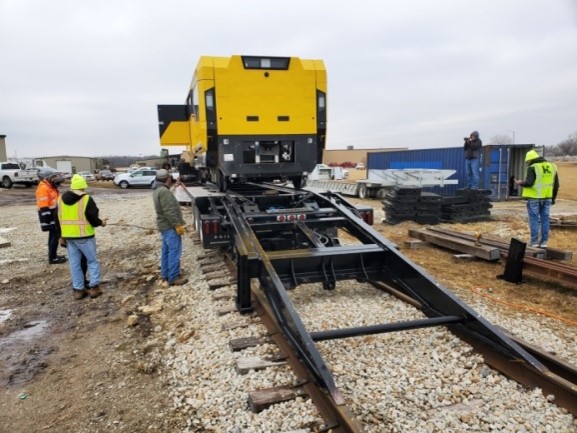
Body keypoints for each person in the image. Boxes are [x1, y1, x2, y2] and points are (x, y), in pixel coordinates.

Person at [58, 174, 106, 299]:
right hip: (85, 236)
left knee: (75, 264)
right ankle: (94, 287)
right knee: (92, 261)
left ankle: (78, 290)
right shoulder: (86, 199)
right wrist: (101, 223)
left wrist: (61, 235)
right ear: (83, 187)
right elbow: (93, 218)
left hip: (69, 237)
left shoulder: (60, 199)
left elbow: (57, 219)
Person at [514, 149, 559, 248]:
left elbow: (529, 183)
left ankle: (534, 242)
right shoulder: (552, 167)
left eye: (527, 162)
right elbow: (556, 185)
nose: (527, 163)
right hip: (547, 197)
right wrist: (553, 198)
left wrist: (520, 183)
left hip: (534, 198)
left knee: (534, 220)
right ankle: (544, 242)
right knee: (545, 220)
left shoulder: (533, 167)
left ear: (530, 160)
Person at [152, 169, 188, 286]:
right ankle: (173, 277)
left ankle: (165, 274)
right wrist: (177, 225)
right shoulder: (164, 192)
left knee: (166, 250)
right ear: (167, 178)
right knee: (174, 251)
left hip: (164, 226)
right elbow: (169, 211)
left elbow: (167, 197)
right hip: (169, 226)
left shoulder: (158, 190)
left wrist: (175, 185)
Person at [36, 168, 67, 264]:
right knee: (55, 235)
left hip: (53, 215)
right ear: (47, 178)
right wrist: (49, 219)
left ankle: (52, 255)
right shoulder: (44, 188)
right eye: (53, 177)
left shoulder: (50, 187)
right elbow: (43, 205)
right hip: (49, 216)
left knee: (53, 235)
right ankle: (52, 258)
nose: (55, 179)